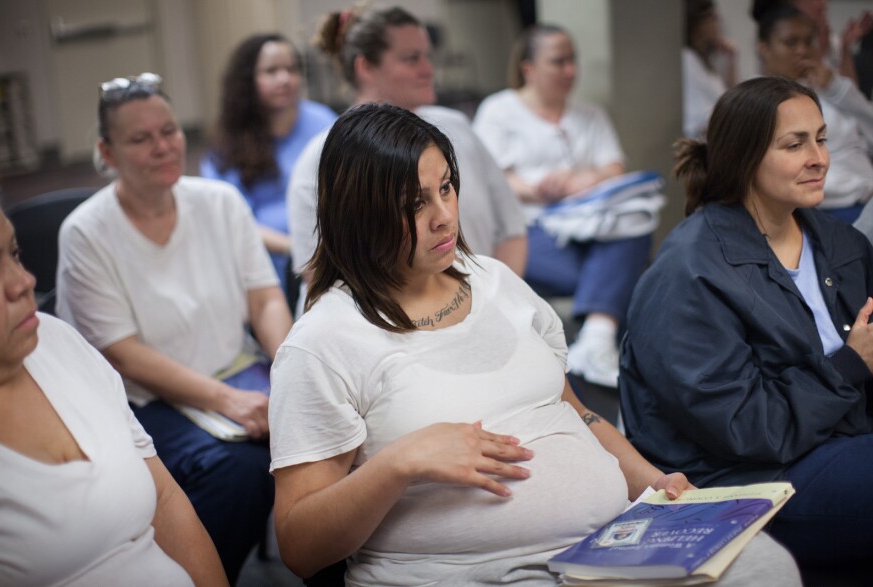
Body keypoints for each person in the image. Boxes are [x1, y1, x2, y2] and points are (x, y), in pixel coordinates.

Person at [268, 102, 801, 587]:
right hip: (473, 574)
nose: (444, 215)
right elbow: (299, 545)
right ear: (358, 214)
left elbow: (573, 411)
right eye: (415, 203)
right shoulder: (323, 342)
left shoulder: (495, 281)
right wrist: (398, 463)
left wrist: (656, 487)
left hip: (601, 549)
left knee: (765, 567)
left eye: (447, 187)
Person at [620, 77, 873, 571]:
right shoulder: (690, 272)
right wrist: (849, 366)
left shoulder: (839, 244)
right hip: (741, 479)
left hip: (837, 444)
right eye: (794, 145)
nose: (818, 158)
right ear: (745, 158)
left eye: (821, 139)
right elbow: (745, 429)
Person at [55, 73, 291, 584]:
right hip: (145, 401)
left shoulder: (220, 202)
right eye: (141, 139)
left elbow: (265, 297)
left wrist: (291, 367)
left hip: (239, 371)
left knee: (330, 434)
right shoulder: (86, 233)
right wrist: (227, 401)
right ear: (107, 152)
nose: (163, 147)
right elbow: (123, 354)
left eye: (169, 131)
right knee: (240, 473)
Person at [0, 199, 228, 586]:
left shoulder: (56, 340)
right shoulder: (90, 232)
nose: (24, 281)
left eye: (14, 254)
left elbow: (166, 502)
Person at [288, 5, 527, 299]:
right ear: (365, 67)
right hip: (381, 323)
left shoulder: (457, 128)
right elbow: (317, 272)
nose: (428, 69)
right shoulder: (322, 157)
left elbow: (512, 229)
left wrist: (489, 303)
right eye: (412, 58)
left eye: (428, 56)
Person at [472, 25, 649, 388]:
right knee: (626, 273)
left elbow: (613, 167)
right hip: (530, 228)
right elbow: (489, 176)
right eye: (558, 62)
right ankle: (600, 336)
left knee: (637, 220)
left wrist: (584, 180)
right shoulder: (499, 111)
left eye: (573, 61)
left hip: (589, 225)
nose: (570, 71)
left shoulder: (589, 114)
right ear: (529, 68)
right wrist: (537, 188)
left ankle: (595, 341)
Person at [201, 33, 337, 301]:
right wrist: (296, 247)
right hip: (268, 263)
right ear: (247, 81)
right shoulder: (227, 144)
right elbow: (232, 219)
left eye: (291, 69)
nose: (284, 79)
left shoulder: (322, 120)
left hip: (330, 246)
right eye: (271, 71)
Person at [753, 3, 873, 224]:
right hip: (830, 211)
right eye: (790, 43)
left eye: (808, 41)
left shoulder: (831, 86)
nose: (802, 50)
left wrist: (837, 88)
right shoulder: (757, 103)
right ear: (765, 49)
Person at [683, 0, 737, 139]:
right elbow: (699, 120)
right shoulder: (687, 59)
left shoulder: (707, 61)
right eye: (711, 17)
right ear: (696, 23)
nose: (717, 22)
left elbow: (735, 99)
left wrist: (731, 61)